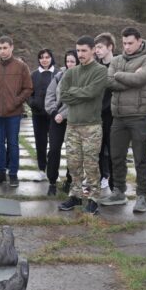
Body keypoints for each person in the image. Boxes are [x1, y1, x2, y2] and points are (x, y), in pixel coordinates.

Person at [99, 27, 146, 213]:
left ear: (139, 41)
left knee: (140, 159)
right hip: (118, 117)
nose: (127, 47)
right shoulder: (116, 60)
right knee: (116, 157)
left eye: (130, 43)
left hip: (140, 116)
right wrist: (130, 78)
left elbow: (139, 79)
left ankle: (142, 195)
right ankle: (119, 191)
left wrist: (119, 75)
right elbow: (108, 82)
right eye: (124, 43)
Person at [56, 37, 109, 215]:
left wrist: (74, 92)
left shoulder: (100, 70)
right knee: (73, 163)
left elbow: (92, 92)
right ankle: (76, 195)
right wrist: (81, 94)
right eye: (78, 50)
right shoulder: (71, 72)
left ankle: (94, 198)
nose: (80, 54)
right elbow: (63, 95)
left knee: (91, 164)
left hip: (91, 126)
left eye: (84, 50)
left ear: (93, 50)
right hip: (72, 125)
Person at [0, 36, 34, 188]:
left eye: (5, 48)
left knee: (13, 143)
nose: (2, 51)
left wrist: (15, 102)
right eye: (0, 48)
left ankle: (13, 174)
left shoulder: (21, 67)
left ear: (12, 47)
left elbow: (28, 88)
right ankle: (0, 174)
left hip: (14, 114)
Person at [45, 50, 77, 196]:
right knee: (53, 150)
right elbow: (49, 95)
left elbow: (77, 100)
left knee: (73, 151)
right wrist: (53, 112)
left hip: (73, 120)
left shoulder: (82, 77)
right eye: (67, 61)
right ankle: (52, 181)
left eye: (73, 61)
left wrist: (62, 115)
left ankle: (70, 181)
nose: (69, 64)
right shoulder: (59, 76)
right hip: (56, 119)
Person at [27, 49, 57, 183]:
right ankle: (41, 170)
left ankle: (52, 171)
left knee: (54, 145)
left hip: (53, 115)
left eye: (47, 57)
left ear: (51, 58)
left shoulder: (58, 73)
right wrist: (32, 103)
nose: (44, 60)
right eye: (41, 57)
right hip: (38, 114)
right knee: (40, 143)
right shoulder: (33, 74)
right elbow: (28, 92)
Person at [94, 33, 115, 198]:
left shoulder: (118, 65)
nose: (97, 50)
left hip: (114, 115)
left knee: (114, 150)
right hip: (97, 114)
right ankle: (102, 177)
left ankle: (115, 185)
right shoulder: (96, 67)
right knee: (98, 149)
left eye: (100, 47)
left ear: (110, 47)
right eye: (96, 47)